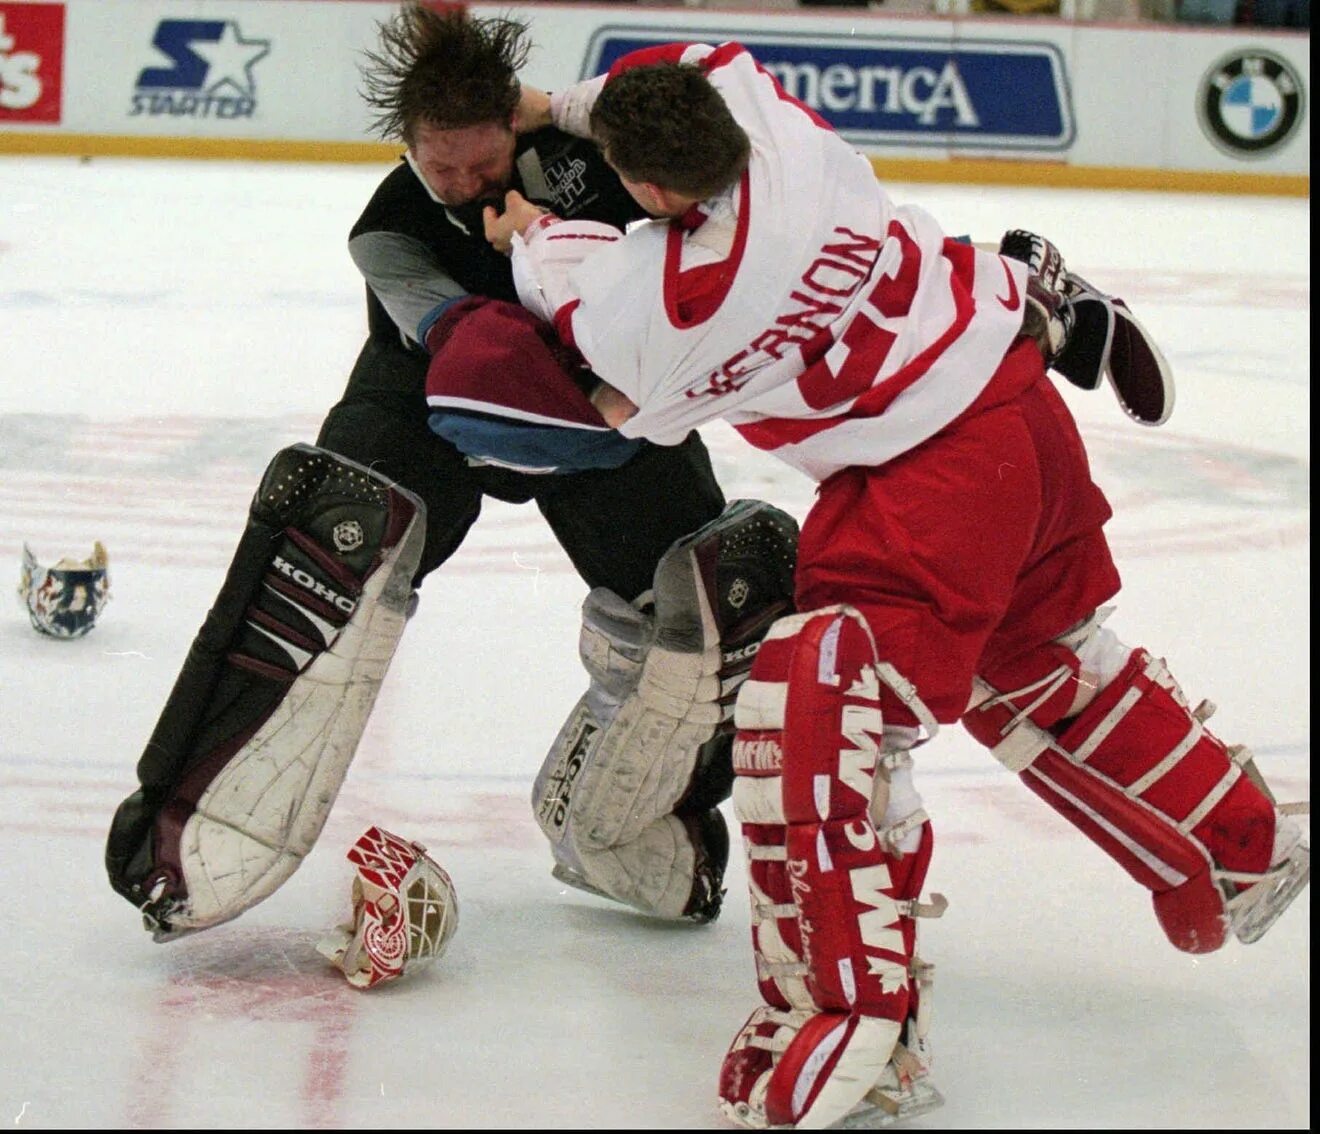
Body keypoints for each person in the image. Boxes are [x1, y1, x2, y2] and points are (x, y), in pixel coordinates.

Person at [484, 45, 1310, 1129]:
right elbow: (684, 72)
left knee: (824, 697)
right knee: (1037, 661)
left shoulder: (662, 304)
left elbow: (619, 387)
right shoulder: (773, 125)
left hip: (929, 478)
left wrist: (525, 241)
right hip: (1015, 402)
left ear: (645, 191)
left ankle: (859, 1022)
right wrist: (551, 104)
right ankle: (1234, 843)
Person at [102, 8, 801, 967]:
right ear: (409, 148)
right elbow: (472, 356)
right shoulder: (388, 227)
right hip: (438, 401)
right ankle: (191, 821)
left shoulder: (595, 157)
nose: (468, 190)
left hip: (596, 403)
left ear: (515, 127)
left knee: (712, 586)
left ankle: (647, 832)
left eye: (486, 167)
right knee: (331, 531)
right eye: (445, 173)